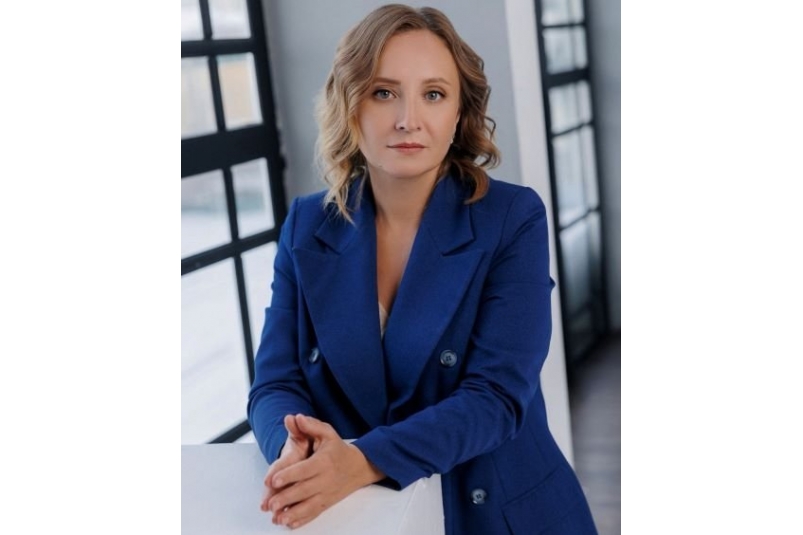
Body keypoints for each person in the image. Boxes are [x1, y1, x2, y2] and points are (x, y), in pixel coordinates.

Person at [247, 4, 597, 534]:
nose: (408, 119)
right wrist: (293, 449)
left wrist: (360, 461)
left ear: (459, 113)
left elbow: (496, 398)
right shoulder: (308, 225)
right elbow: (275, 381)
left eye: (433, 94)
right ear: (350, 105)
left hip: (501, 516)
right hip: (371, 517)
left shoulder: (512, 217)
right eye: (383, 93)